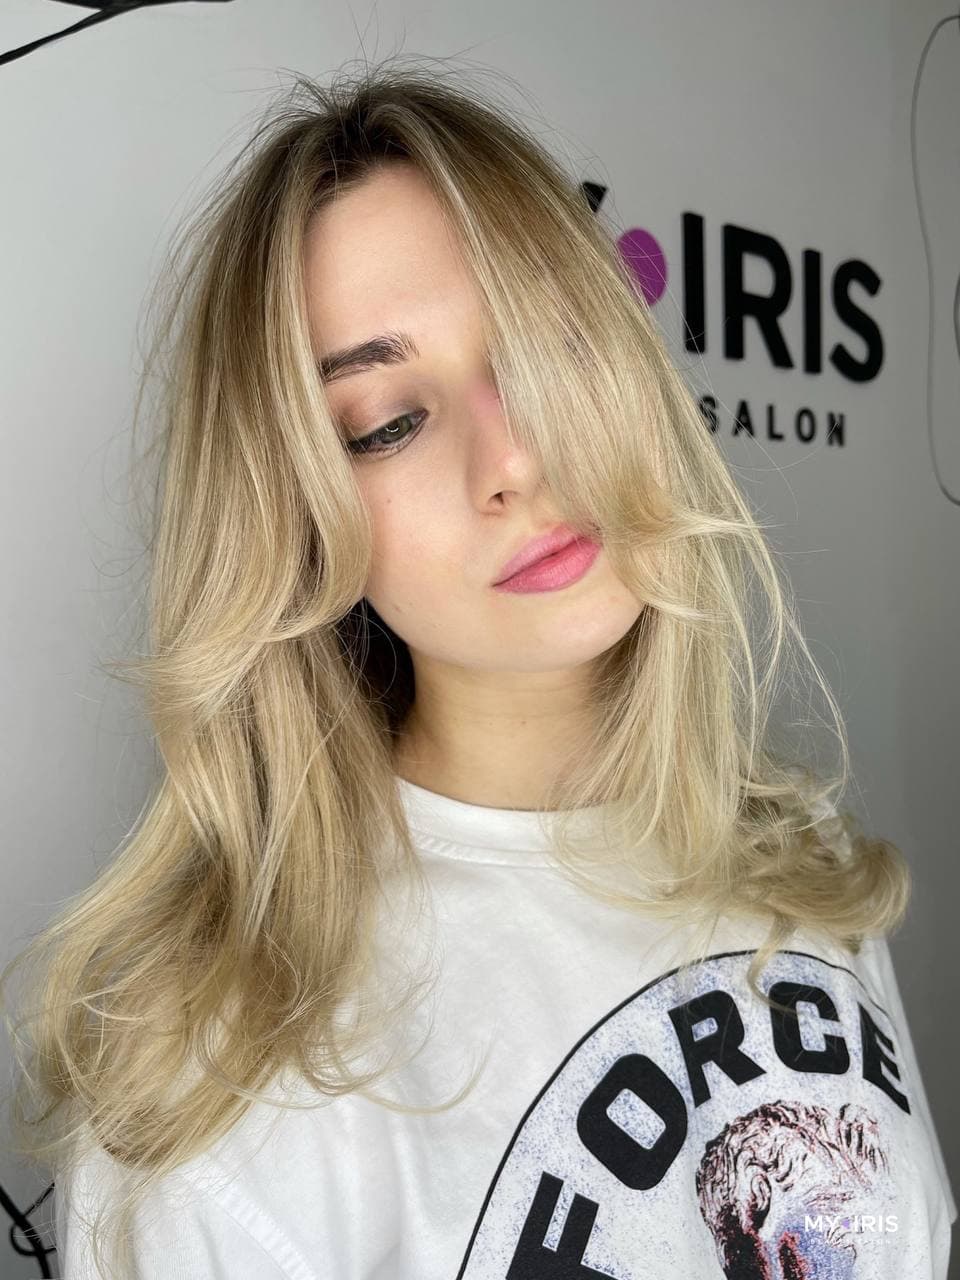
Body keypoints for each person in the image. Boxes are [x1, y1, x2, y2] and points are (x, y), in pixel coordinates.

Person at [1, 55, 955, 1280]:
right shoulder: (223, 1076)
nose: (516, 455)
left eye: (549, 341)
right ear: (299, 516)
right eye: (388, 422)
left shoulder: (798, 860)